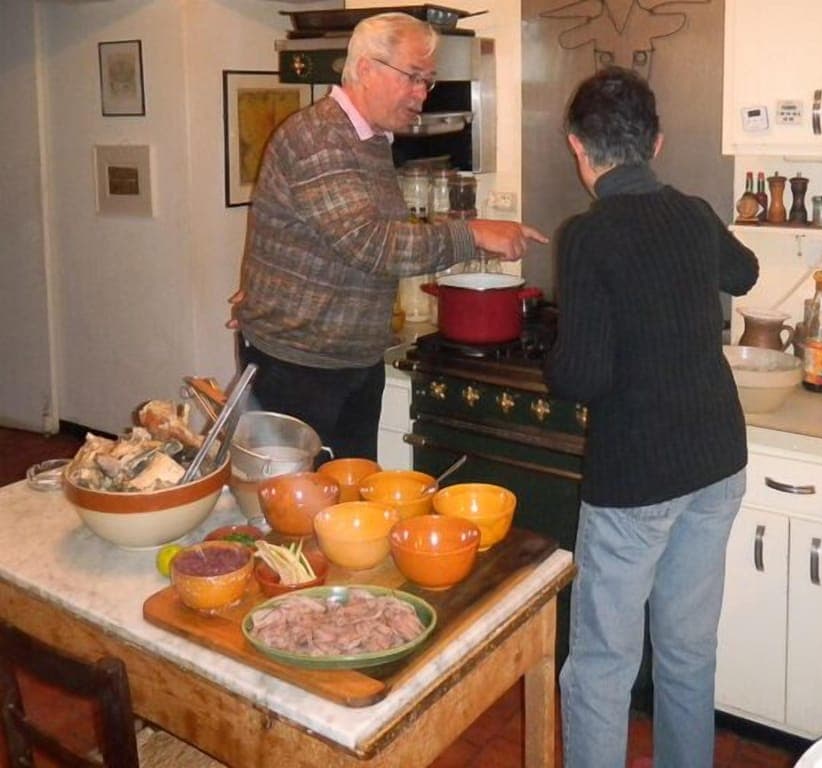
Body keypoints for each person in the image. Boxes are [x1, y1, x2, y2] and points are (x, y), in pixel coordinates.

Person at [544, 67, 759, 768]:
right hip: (717, 459)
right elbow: (746, 272)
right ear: (656, 144)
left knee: (603, 665)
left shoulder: (585, 234)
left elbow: (583, 377)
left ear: (580, 148)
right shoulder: (692, 213)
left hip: (637, 476)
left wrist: (555, 354)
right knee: (687, 650)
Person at [230, 12, 547, 461]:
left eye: (428, 81)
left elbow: (342, 239)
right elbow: (371, 243)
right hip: (299, 366)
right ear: (364, 69)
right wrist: (473, 233)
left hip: (351, 359)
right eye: (413, 78)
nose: (421, 94)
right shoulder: (319, 137)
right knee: (293, 513)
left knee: (351, 506)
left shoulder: (372, 140)